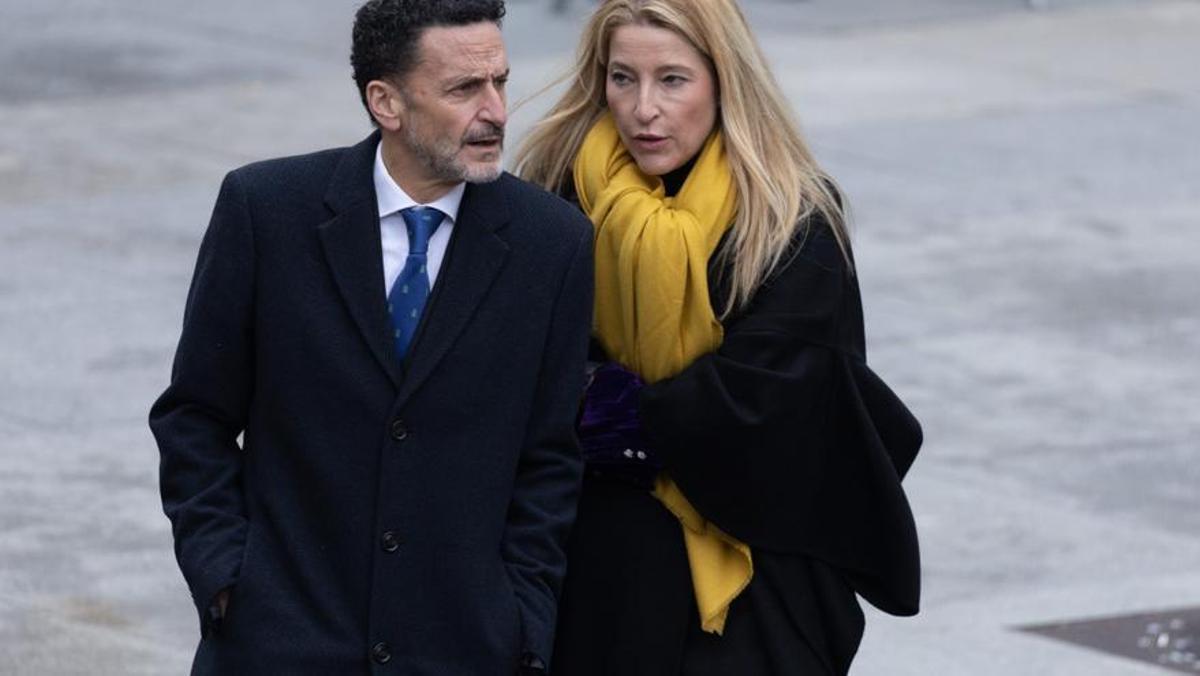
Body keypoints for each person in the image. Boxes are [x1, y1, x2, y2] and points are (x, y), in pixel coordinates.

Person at [149, 1, 593, 673]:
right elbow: (195, 416)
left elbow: (551, 457)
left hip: (464, 649)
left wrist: (523, 620)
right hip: (277, 644)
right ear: (385, 101)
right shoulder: (266, 212)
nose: (498, 111)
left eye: (499, 81)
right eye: (464, 89)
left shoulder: (552, 243)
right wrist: (224, 576)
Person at [514, 0, 922, 673]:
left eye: (672, 80)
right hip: (594, 574)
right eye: (623, 78)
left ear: (723, 80)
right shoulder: (559, 195)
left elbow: (771, 405)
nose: (644, 108)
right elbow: (520, 368)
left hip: (752, 586)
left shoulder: (791, 216)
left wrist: (607, 412)